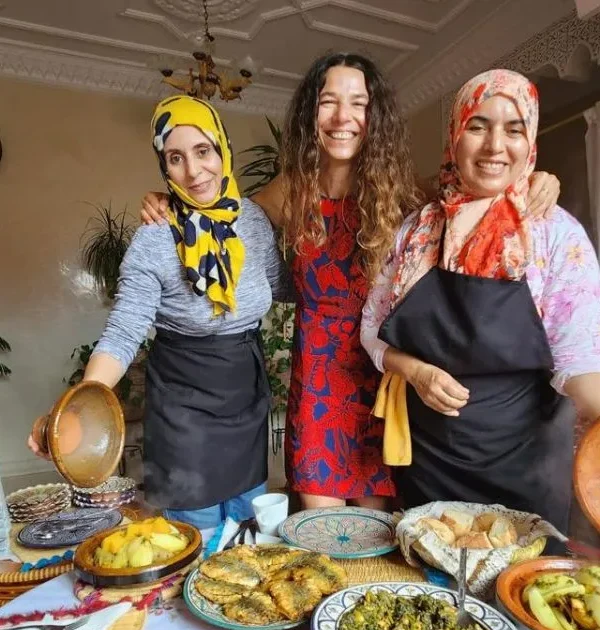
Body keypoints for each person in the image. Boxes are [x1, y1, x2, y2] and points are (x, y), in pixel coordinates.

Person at [140, 54, 561, 513]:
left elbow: (477, 190)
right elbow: (218, 212)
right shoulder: (291, 190)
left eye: (358, 103)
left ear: (374, 115)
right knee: (319, 530)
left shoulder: (403, 191)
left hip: (382, 376)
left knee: (376, 532)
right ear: (311, 113)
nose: (343, 117)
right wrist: (169, 202)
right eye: (328, 102)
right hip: (316, 380)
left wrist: (535, 179)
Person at [29, 95, 286, 532]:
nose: (193, 171)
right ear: (164, 166)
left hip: (245, 396)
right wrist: (79, 406)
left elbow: (285, 287)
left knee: (251, 533)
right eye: (175, 158)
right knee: (196, 535)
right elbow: (123, 331)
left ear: (222, 149)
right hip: (183, 407)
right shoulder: (154, 239)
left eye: (203, 151)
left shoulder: (254, 223)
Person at [361, 68, 600, 532]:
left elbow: (581, 362)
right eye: (478, 126)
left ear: (529, 142)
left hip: (524, 468)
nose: (495, 146)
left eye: (513, 130)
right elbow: (372, 330)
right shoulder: (417, 231)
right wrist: (416, 371)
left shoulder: (554, 234)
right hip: (430, 467)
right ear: (455, 136)